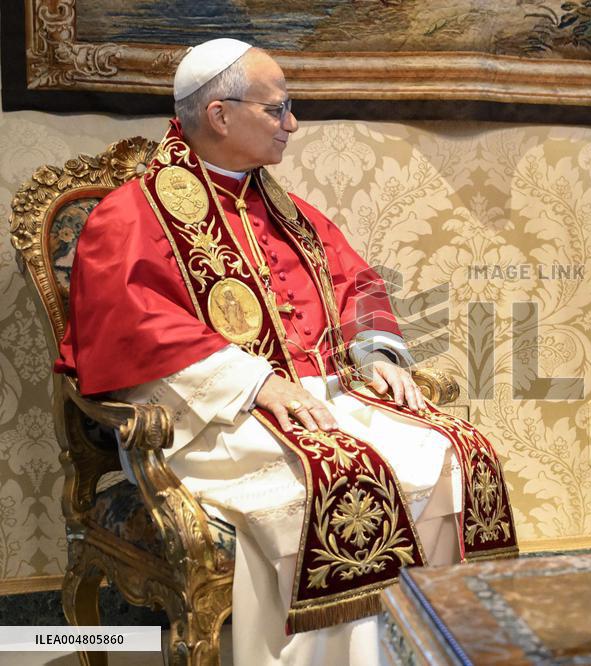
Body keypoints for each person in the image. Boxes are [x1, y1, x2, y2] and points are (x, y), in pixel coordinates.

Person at [56, 38, 517, 665]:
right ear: (220, 115)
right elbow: (132, 326)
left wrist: (377, 357)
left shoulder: (288, 211)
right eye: (279, 109)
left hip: (318, 401)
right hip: (210, 417)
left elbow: (357, 282)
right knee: (342, 480)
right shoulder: (131, 215)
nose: (292, 124)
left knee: (457, 455)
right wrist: (255, 383)